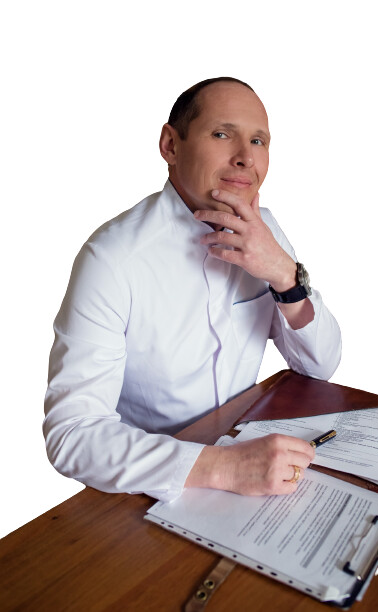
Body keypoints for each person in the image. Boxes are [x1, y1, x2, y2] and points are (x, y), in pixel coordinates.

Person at [44, 77, 341, 503]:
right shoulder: (111, 259)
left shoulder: (266, 231)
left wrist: (283, 274)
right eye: (222, 134)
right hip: (149, 487)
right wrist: (227, 467)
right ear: (170, 145)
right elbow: (72, 434)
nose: (245, 157)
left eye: (258, 141)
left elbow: (321, 364)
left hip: (252, 464)